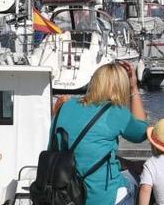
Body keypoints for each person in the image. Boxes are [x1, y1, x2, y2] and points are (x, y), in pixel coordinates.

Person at [50, 61, 148, 205]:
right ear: (120, 86)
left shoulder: (65, 107)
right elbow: (141, 133)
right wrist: (134, 87)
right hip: (101, 197)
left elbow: (76, 152)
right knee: (140, 181)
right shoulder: (114, 111)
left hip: (65, 194)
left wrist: (126, 163)